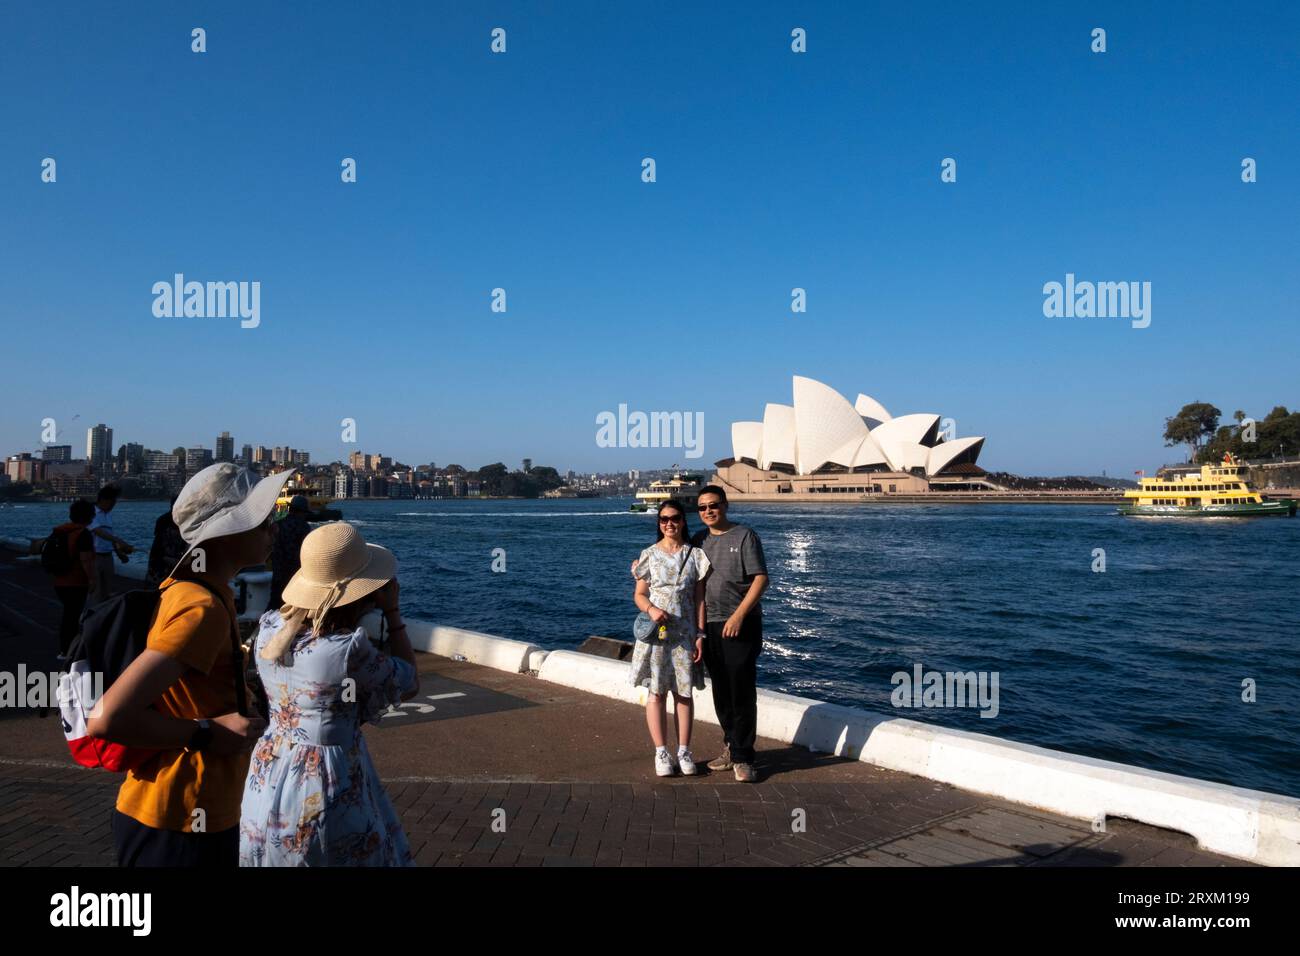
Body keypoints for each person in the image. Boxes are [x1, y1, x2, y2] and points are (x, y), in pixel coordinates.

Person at [87, 463, 297, 867]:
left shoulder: (188, 590)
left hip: (173, 807)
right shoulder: (201, 609)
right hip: (182, 816)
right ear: (225, 534)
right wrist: (206, 732)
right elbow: (107, 718)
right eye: (264, 519)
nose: (274, 528)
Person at [239, 521, 418, 866]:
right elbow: (408, 682)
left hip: (271, 767)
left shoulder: (270, 627)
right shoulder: (346, 650)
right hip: (325, 777)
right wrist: (393, 613)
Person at [693, 486, 768, 783]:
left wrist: (738, 616)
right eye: (702, 507)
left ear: (725, 506)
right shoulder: (699, 540)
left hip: (740, 623)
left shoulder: (745, 535)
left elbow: (761, 579)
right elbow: (670, 555)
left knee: (741, 690)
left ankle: (744, 757)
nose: (709, 511)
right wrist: (640, 567)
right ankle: (730, 746)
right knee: (722, 691)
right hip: (709, 624)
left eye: (714, 505)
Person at [631, 499, 710, 777]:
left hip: (685, 634)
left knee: (684, 693)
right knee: (656, 692)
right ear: (659, 523)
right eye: (663, 519)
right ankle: (661, 752)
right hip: (656, 635)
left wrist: (700, 634)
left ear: (683, 521)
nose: (669, 523)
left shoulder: (696, 556)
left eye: (674, 518)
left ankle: (684, 751)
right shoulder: (649, 555)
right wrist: (651, 609)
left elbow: (700, 599)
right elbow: (639, 594)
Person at [49, 499, 97, 659]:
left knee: (69, 614)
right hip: (76, 581)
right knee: (73, 616)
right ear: (89, 516)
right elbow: (86, 560)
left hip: (59, 580)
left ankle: (67, 648)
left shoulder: (60, 531)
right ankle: (68, 650)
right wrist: (91, 579)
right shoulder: (83, 534)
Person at [87, 485, 134, 607]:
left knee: (107, 591)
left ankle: (101, 618)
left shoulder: (108, 515)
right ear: (103, 499)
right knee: (94, 591)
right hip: (93, 557)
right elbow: (98, 531)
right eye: (112, 502)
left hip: (108, 557)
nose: (113, 505)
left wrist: (119, 553)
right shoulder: (91, 512)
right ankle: (89, 618)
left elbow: (109, 536)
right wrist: (119, 541)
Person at [267, 494, 312, 609]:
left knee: (274, 605)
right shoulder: (304, 528)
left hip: (278, 573)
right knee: (293, 607)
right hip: (295, 576)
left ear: (290, 509)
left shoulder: (278, 525)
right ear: (302, 512)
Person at [146, 497, 187, 585]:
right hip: (170, 559)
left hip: (162, 558)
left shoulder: (162, 519)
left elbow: (157, 542)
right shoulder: (184, 520)